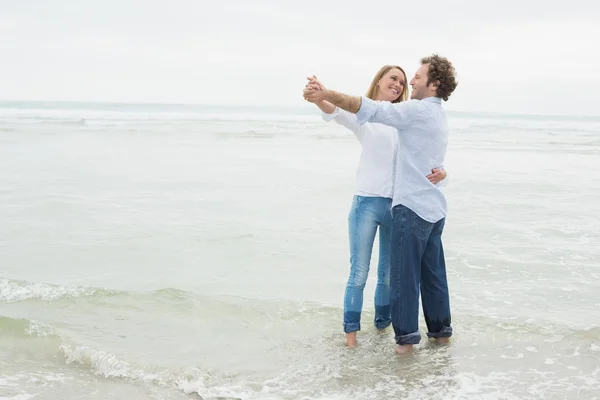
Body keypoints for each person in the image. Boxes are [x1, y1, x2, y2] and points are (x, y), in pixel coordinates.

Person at [304, 54, 458, 354]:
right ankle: (434, 336)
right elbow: (344, 111)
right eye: (397, 79)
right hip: (402, 205)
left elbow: (371, 109)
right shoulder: (428, 116)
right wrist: (320, 97)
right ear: (379, 81)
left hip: (405, 206)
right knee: (408, 275)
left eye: (412, 77)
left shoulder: (409, 114)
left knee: (398, 277)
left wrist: (445, 174)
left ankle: (400, 341)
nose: (407, 83)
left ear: (434, 83)